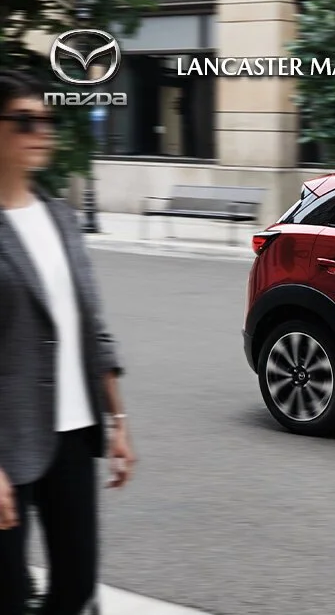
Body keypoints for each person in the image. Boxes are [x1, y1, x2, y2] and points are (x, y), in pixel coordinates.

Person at [0, 71, 137, 615]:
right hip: (7, 441)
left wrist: (119, 423)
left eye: (47, 120)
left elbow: (91, 327)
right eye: (25, 121)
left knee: (77, 585)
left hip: (74, 435)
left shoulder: (60, 216)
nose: (42, 131)